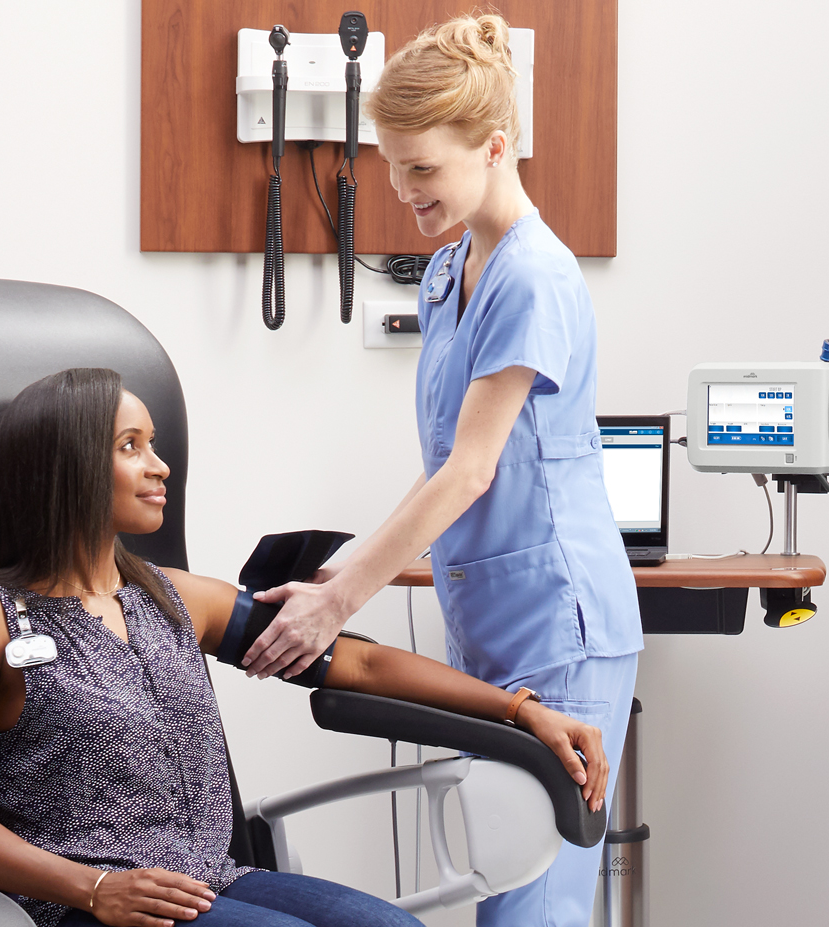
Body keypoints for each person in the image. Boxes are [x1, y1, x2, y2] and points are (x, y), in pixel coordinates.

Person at [0, 368, 608, 927]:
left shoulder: (172, 597)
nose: (159, 467)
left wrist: (520, 709)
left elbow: (357, 660)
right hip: (85, 902)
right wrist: (92, 888)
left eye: (152, 442)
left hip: (215, 879)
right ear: (67, 467)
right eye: (129, 446)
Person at [237, 14, 643, 927]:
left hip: (560, 626)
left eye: (424, 169)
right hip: (490, 627)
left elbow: (470, 473)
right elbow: (438, 470)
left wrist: (340, 605)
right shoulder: (449, 267)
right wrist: (332, 578)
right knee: (497, 888)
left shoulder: (535, 276)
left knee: (532, 910)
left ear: (496, 147)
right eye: (392, 167)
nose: (403, 192)